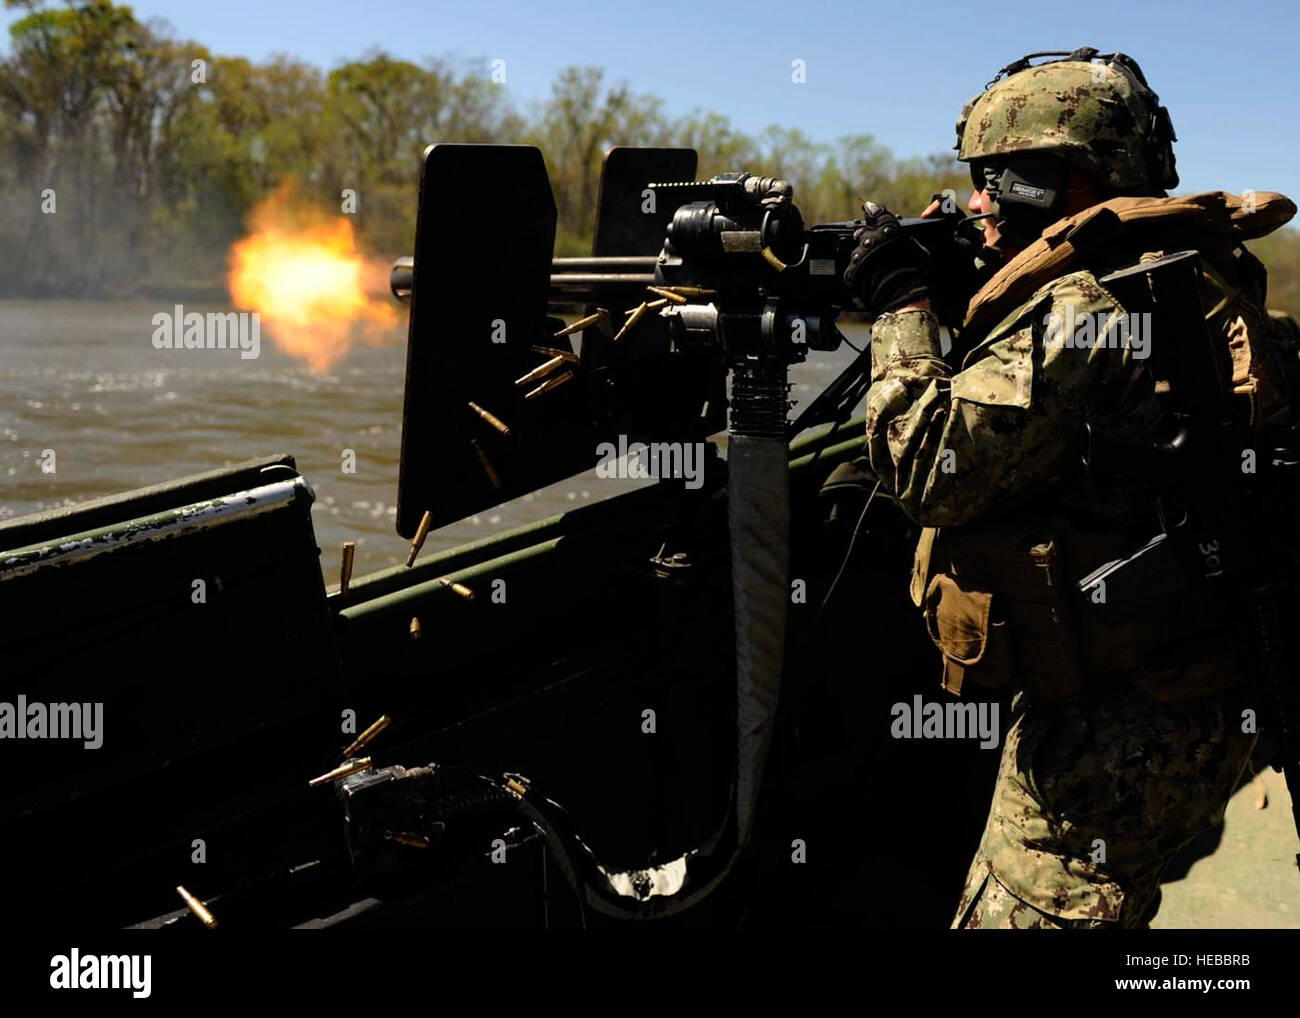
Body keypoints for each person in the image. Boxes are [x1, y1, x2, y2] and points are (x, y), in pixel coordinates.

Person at [846, 47, 1300, 928]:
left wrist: (901, 308)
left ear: (1075, 177)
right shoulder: (1204, 279)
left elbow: (925, 465)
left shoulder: (1087, 307)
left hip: (1111, 736)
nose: (979, 203)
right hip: (1204, 694)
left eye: (1001, 179)